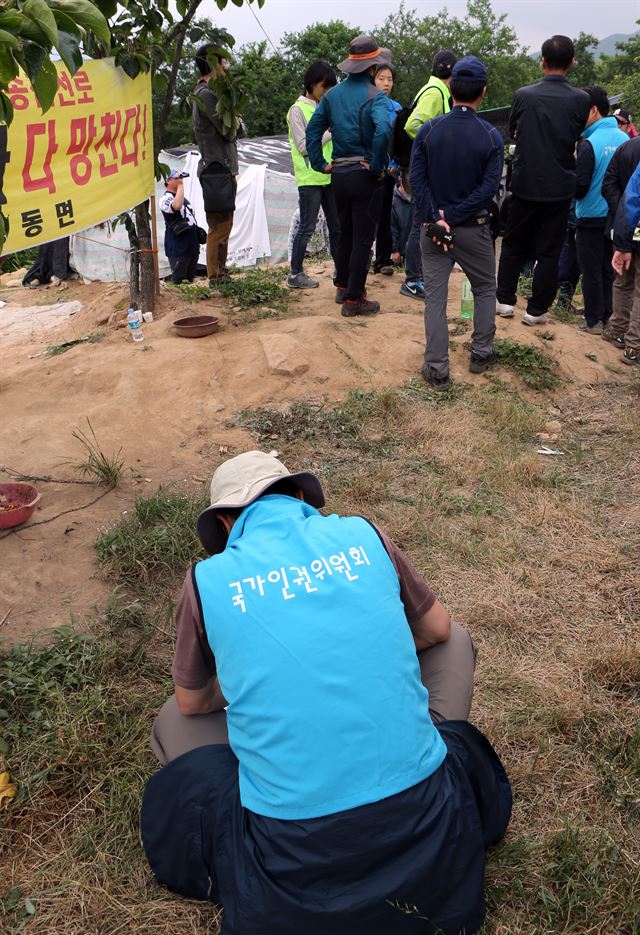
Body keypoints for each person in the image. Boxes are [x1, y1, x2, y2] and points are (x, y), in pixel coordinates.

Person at [141, 450, 512, 935]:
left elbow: (192, 702)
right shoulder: (363, 533)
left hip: (290, 859)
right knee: (456, 641)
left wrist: (249, 691)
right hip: (429, 830)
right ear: (299, 496)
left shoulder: (206, 579)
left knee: (173, 718)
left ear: (227, 524)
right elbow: (438, 628)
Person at [410, 56, 504, 391]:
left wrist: (437, 217)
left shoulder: (428, 130)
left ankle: (437, 369)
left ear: (451, 89)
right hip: (473, 229)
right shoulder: (491, 136)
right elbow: (489, 189)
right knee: (483, 288)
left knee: (435, 297)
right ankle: (481, 353)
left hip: (432, 231)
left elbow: (416, 182)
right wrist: (455, 216)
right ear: (483, 91)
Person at [495, 36, 590, 326]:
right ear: (571, 63)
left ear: (542, 61)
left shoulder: (525, 94)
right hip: (560, 186)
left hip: (525, 182)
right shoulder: (581, 99)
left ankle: (505, 301)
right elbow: (574, 133)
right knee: (549, 250)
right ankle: (536, 311)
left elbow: (513, 131)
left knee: (513, 243)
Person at [306, 35, 392, 318]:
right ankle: (355, 300)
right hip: (365, 175)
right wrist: (378, 167)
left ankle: (343, 286)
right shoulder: (375, 97)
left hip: (339, 176)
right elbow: (382, 131)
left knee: (344, 234)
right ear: (372, 68)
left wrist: (320, 164)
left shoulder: (331, 96)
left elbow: (312, 131)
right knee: (363, 240)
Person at [401, 50, 457, 302]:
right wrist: (434, 144)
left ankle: (419, 275)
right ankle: (412, 280)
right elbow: (413, 125)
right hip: (423, 169)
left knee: (424, 221)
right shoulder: (435, 93)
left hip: (425, 168)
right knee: (419, 222)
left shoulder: (435, 90)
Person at [574, 86, 628, 334]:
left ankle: (593, 320)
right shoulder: (625, 140)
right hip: (619, 217)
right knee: (611, 269)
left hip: (591, 217)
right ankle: (609, 318)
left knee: (591, 270)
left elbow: (581, 186)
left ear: (594, 110)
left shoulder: (589, 143)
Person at [287, 60, 340, 290]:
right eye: (324, 87)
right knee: (307, 227)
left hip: (329, 175)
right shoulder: (297, 110)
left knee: (336, 226)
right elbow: (303, 145)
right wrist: (329, 132)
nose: (327, 91)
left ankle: (342, 268)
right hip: (310, 178)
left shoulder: (324, 107)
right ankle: (295, 273)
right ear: (312, 84)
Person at [192, 45, 240, 287]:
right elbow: (229, 129)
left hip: (220, 168)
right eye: (224, 62)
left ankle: (221, 272)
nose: (226, 67)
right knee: (219, 226)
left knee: (225, 223)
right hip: (216, 170)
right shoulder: (207, 95)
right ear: (214, 64)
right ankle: (215, 278)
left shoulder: (207, 93)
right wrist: (236, 118)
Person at [607, 139, 640, 365]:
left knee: (624, 279)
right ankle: (634, 346)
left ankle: (618, 330)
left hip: (635, 230)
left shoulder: (627, 146)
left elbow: (631, 199)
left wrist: (623, 242)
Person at [372, 63, 402, 275]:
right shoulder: (367, 105)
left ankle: (382, 261)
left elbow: (401, 141)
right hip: (369, 169)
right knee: (366, 216)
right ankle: (362, 259)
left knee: (384, 215)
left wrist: (394, 165)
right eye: (381, 78)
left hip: (389, 172)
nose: (386, 83)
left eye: (389, 79)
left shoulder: (397, 108)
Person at [159, 170, 201, 285]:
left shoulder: (184, 199)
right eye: (176, 178)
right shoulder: (165, 199)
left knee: (189, 281)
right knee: (179, 281)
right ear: (168, 181)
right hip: (178, 247)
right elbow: (176, 206)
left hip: (191, 246)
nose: (180, 180)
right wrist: (181, 186)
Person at [391, 174, 412, 268]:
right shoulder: (393, 201)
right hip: (402, 253)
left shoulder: (420, 197)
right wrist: (395, 250)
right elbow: (392, 228)